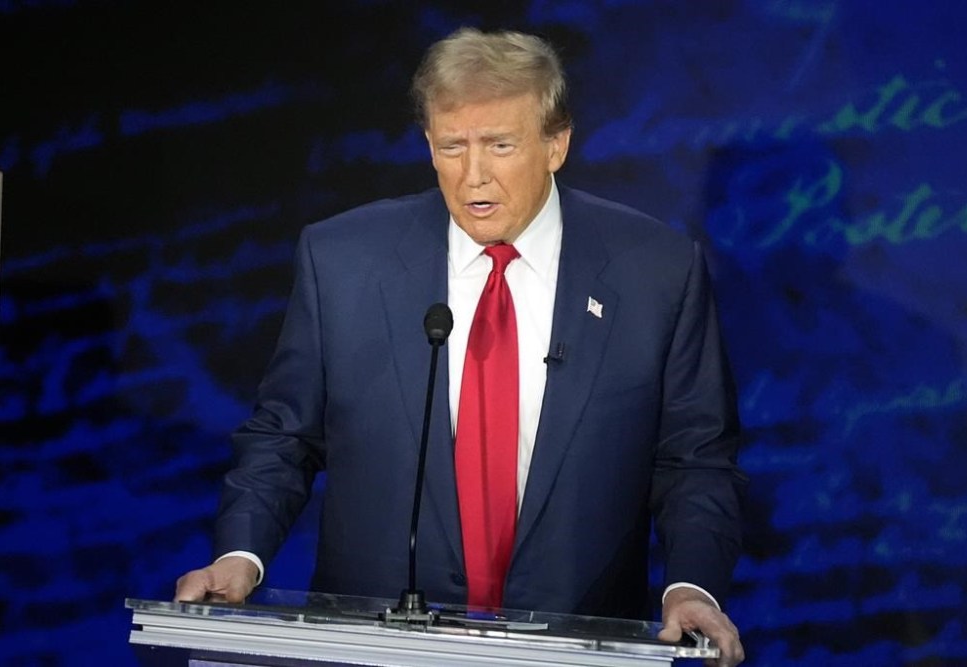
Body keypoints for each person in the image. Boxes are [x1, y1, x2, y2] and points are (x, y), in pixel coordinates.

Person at [176, 27, 747, 666]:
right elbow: (285, 435)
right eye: (453, 147)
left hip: (575, 647)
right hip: (373, 646)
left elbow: (695, 461)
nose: (474, 176)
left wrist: (691, 584)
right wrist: (240, 556)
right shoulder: (342, 261)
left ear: (556, 143)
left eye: (500, 145)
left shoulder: (657, 271)